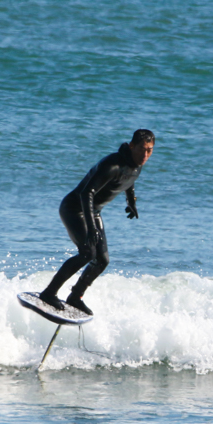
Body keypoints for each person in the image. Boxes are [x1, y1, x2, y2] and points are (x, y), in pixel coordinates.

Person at [39, 129, 155, 316]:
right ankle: (49, 293)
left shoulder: (136, 164)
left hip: (93, 212)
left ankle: (75, 297)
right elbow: (87, 193)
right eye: (142, 149)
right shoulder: (113, 165)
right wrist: (92, 227)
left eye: (149, 150)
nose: (145, 155)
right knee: (87, 253)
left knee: (102, 260)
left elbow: (129, 180)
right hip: (73, 209)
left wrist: (131, 202)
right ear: (132, 146)